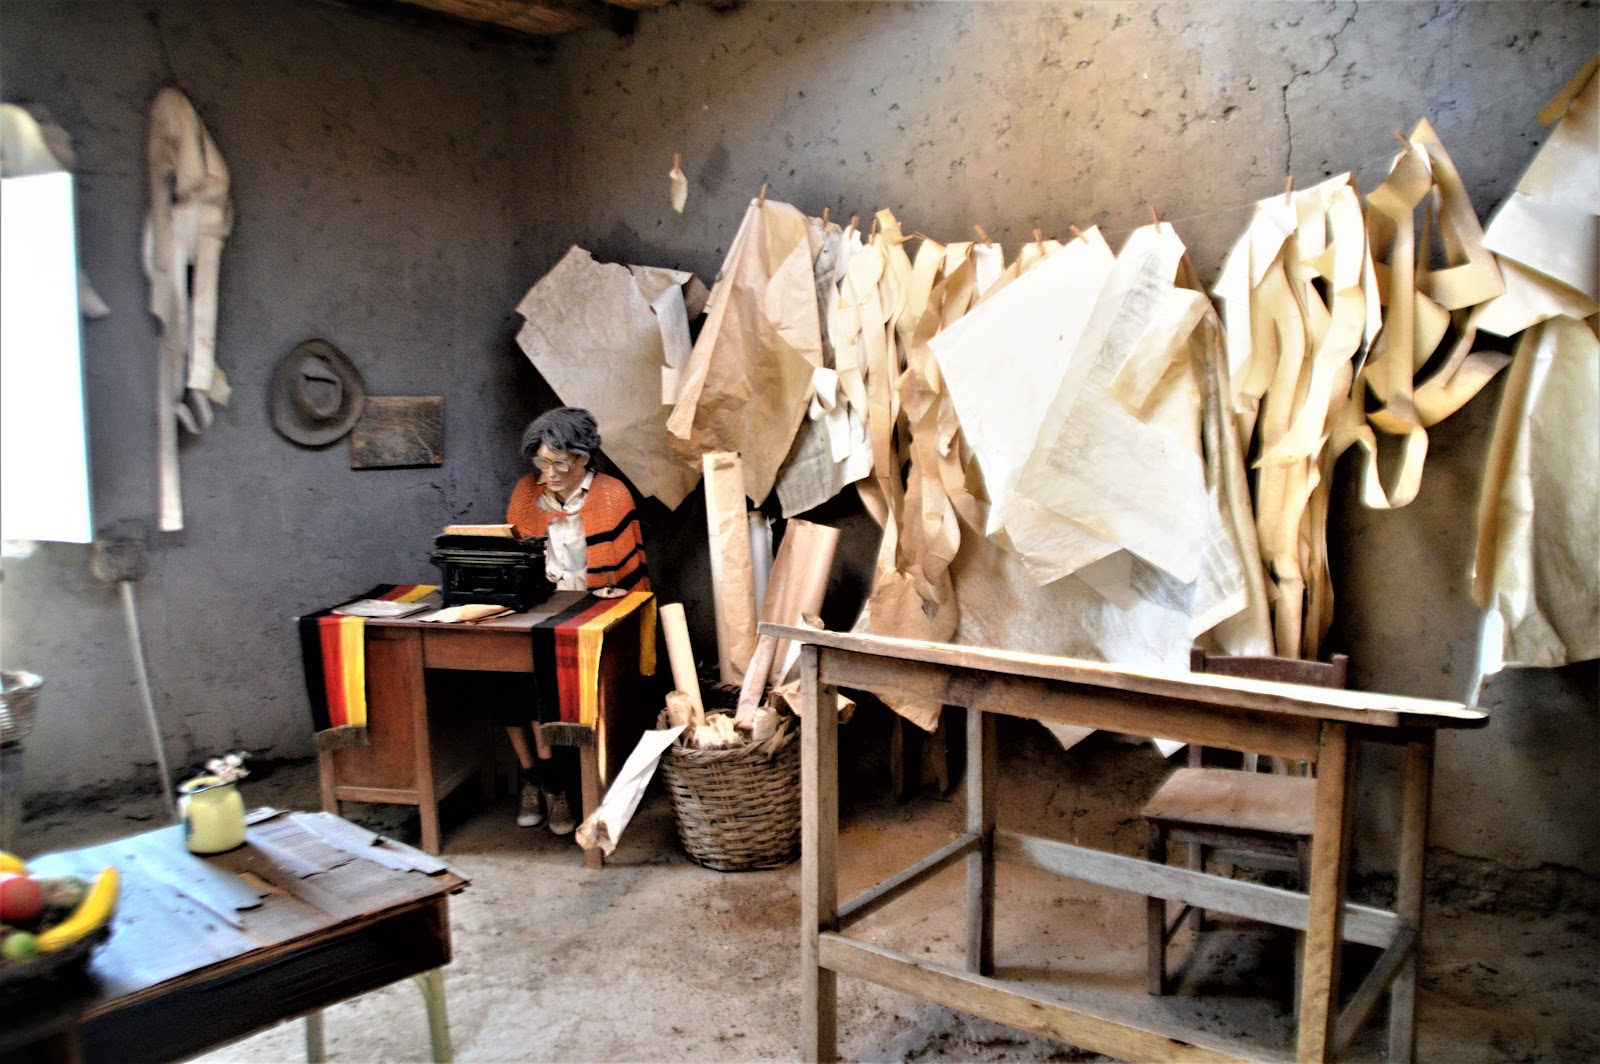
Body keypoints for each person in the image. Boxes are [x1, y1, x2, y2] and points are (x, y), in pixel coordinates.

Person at [502, 407, 649, 835]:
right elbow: (513, 564)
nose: (549, 473)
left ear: (584, 457)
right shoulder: (525, 495)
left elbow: (633, 577)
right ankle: (538, 779)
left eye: (560, 463)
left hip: (594, 620)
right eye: (541, 462)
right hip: (539, 615)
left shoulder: (612, 495)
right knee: (505, 680)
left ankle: (563, 782)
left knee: (563, 686)